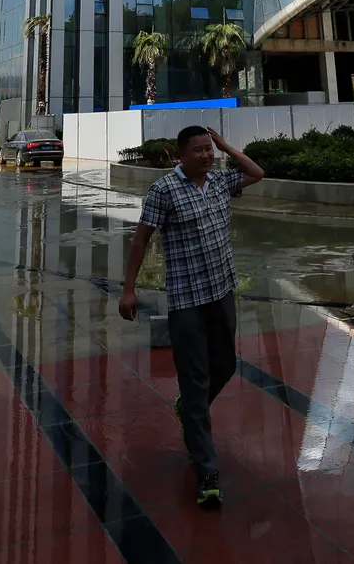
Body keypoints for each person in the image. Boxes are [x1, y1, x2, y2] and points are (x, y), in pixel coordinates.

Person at [119, 123, 265, 508]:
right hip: (186, 301)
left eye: (208, 149)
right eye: (198, 150)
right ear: (179, 154)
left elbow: (256, 173)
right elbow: (141, 238)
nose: (205, 155)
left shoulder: (219, 182)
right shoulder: (164, 190)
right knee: (196, 380)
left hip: (221, 292)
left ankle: (189, 406)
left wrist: (225, 144)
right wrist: (129, 288)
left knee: (226, 366)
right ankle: (207, 471)